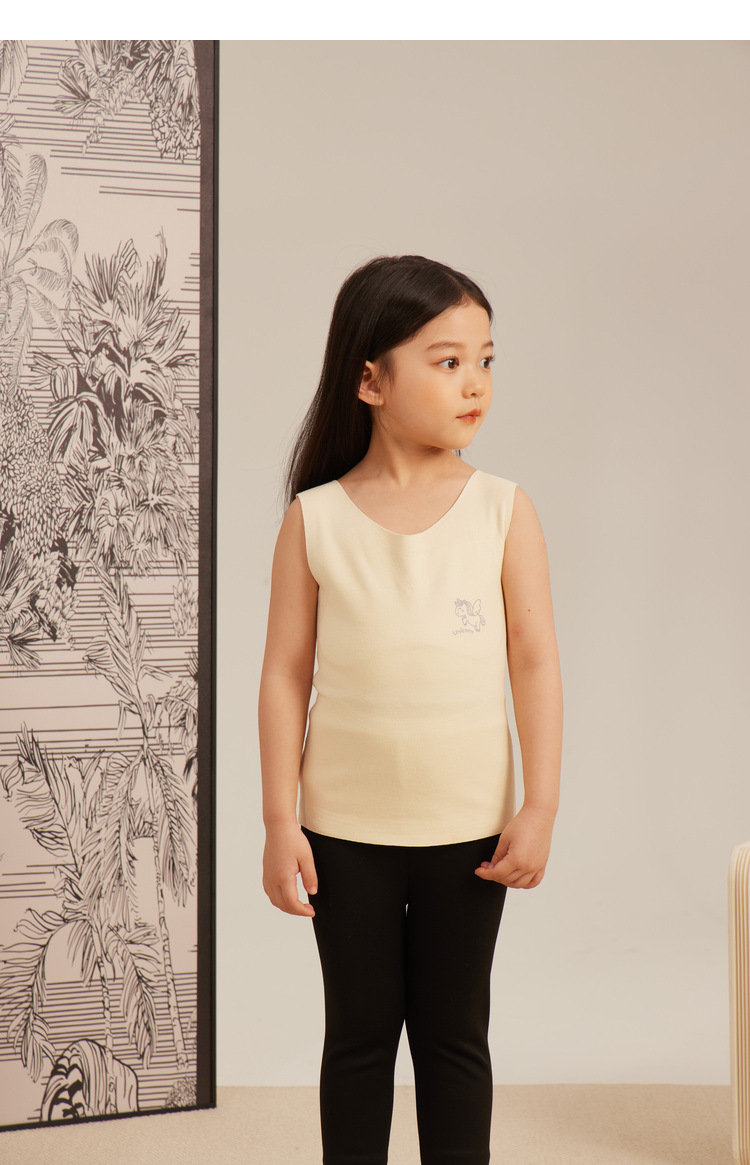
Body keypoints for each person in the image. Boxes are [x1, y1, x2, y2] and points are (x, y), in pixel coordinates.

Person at [258, 254, 563, 1165]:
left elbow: (536, 663)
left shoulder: (504, 511)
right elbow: (284, 674)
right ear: (371, 381)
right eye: (448, 361)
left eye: (486, 360)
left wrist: (540, 804)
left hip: (470, 832)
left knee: (453, 1037)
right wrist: (279, 820)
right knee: (357, 1038)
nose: (476, 383)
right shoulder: (315, 518)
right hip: (343, 831)